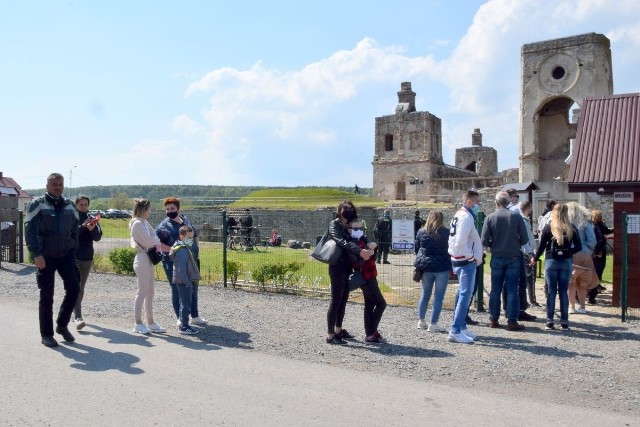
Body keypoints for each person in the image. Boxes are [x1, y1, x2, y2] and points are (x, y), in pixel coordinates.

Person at [25, 173, 80, 347]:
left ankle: (62, 325)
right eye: (54, 184)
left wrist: (73, 246)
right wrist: (36, 254)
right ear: (47, 186)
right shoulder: (37, 204)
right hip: (45, 256)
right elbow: (30, 230)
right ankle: (46, 334)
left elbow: (75, 229)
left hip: (66, 255)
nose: (58, 186)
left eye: (60, 184)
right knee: (47, 296)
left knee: (74, 288)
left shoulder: (70, 206)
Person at [325, 200, 374, 345]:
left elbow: (362, 238)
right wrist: (360, 251)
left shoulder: (353, 223)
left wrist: (371, 244)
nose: (348, 210)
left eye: (350, 208)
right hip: (337, 265)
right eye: (345, 208)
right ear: (339, 210)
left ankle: (339, 330)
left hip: (349, 265)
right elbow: (341, 241)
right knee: (336, 300)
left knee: (344, 298)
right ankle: (330, 334)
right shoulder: (335, 224)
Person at [481, 191, 529, 331]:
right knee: (512, 289)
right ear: (508, 202)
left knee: (495, 288)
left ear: (496, 203)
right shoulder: (516, 217)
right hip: (513, 255)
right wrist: (515, 243)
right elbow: (525, 239)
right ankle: (512, 320)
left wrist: (493, 245)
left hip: (497, 255)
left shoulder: (490, 218)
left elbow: (484, 240)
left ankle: (493, 319)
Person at [156, 197, 207, 327]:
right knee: (177, 288)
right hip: (172, 262)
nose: (169, 211)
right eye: (167, 209)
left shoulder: (186, 221)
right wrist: (175, 249)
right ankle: (180, 317)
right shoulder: (163, 226)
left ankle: (194, 316)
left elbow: (195, 235)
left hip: (192, 260)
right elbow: (158, 245)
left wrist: (196, 248)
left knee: (193, 287)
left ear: (178, 208)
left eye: (172, 208)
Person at [533, 203, 582, 331]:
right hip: (566, 261)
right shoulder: (572, 228)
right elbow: (579, 246)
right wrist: (568, 252)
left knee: (551, 291)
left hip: (551, 260)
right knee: (563, 291)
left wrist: (535, 258)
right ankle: (564, 321)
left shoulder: (549, 227)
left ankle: (550, 321)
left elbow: (542, 246)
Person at [447, 190, 483, 343]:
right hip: (465, 260)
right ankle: (456, 330)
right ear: (469, 202)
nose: (478, 205)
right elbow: (460, 241)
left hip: (459, 258)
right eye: (476, 202)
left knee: (462, 294)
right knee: (465, 295)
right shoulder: (466, 217)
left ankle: (461, 327)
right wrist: (471, 257)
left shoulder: (458, 214)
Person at [130, 198, 166, 334]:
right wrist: (156, 241)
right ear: (144, 210)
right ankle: (138, 323)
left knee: (150, 292)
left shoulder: (144, 223)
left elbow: (154, 238)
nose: (151, 211)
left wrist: (155, 240)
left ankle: (150, 322)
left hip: (148, 257)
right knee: (142, 291)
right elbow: (151, 241)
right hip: (142, 257)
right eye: (149, 208)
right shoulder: (137, 224)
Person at [348, 217, 386, 343]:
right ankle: (371, 332)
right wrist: (368, 252)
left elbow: (372, 257)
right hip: (365, 277)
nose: (359, 230)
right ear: (350, 230)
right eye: (356, 228)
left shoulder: (362, 239)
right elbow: (357, 262)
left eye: (361, 228)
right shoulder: (351, 243)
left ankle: (370, 333)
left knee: (369, 304)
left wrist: (373, 249)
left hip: (370, 274)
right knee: (381, 303)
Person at [414, 210, 451, 332]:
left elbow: (417, 248)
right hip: (442, 267)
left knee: (425, 294)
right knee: (438, 297)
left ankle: (421, 321)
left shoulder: (421, 232)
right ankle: (433, 323)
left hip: (426, 268)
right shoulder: (446, 232)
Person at [73, 195, 103, 330]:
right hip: (73, 257)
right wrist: (83, 225)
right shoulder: (72, 217)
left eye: (86, 204)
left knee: (81, 288)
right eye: (81, 205)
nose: (84, 207)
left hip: (87, 257)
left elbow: (97, 238)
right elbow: (71, 234)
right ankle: (78, 317)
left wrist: (92, 229)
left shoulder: (92, 218)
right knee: (76, 287)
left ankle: (74, 311)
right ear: (76, 205)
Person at [566, 202, 598, 314]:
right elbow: (592, 240)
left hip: (570, 254)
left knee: (571, 282)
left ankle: (571, 306)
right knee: (583, 282)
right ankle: (583, 307)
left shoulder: (566, 223)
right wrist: (588, 250)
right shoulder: (585, 223)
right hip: (584, 254)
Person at [169, 225, 201, 335]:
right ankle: (184, 326)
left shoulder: (183, 247)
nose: (191, 240)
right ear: (182, 237)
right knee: (186, 304)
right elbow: (181, 268)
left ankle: (184, 324)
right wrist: (187, 282)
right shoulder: (182, 250)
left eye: (192, 238)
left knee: (185, 302)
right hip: (184, 281)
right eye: (189, 238)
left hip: (183, 280)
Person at [588, 209, 613, 304]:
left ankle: (590, 294)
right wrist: (605, 238)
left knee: (598, 272)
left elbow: (605, 231)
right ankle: (590, 295)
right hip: (597, 252)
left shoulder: (599, 225)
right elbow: (596, 241)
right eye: (600, 216)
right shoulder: (593, 227)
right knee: (596, 273)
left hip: (600, 251)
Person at [519, 201, 540, 307]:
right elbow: (526, 238)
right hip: (528, 252)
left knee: (528, 277)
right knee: (530, 277)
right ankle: (532, 300)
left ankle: (529, 299)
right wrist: (530, 251)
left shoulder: (524, 220)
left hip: (526, 251)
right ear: (528, 208)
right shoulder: (524, 221)